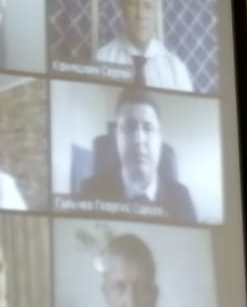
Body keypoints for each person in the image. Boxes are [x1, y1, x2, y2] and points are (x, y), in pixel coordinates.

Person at [80, 87, 196, 223]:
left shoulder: (181, 197)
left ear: (159, 139)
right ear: (117, 137)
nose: (139, 139)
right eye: (129, 127)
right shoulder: (90, 191)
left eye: (148, 128)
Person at [94, 0, 194, 91]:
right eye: (133, 4)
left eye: (148, 6)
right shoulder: (101, 60)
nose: (141, 14)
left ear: (156, 11)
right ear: (122, 8)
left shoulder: (176, 69)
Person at [97, 233, 191, 307]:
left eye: (141, 289)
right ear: (105, 295)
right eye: (119, 287)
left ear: (155, 297)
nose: (131, 304)